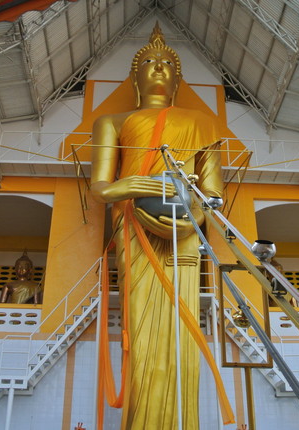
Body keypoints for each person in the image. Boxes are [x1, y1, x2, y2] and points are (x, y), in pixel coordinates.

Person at [91, 22, 226, 430]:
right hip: (133, 227)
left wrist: (192, 219)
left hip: (185, 234)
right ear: (136, 78)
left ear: (177, 79)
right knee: (141, 331)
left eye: (167, 63)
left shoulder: (202, 122)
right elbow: (100, 188)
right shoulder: (112, 121)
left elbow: (212, 194)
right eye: (148, 62)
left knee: (182, 328)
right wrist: (131, 186)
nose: (159, 66)